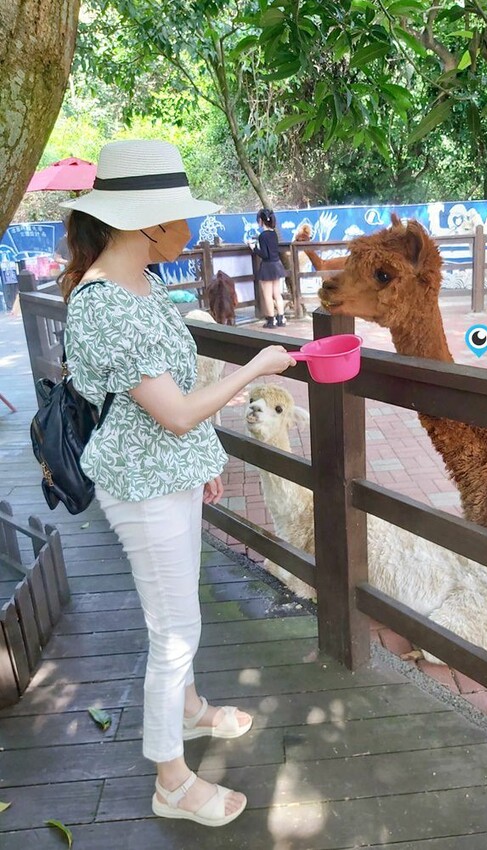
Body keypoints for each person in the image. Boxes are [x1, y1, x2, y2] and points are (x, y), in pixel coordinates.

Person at [60, 140, 296, 828]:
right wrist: (255, 368)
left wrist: (203, 464)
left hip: (169, 475)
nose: (192, 227)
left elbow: (178, 386)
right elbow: (175, 411)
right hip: (140, 485)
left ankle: (189, 711)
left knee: (177, 616)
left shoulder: (147, 282)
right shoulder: (104, 303)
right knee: (172, 634)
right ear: (146, 223)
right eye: (180, 214)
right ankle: (170, 778)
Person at [251, 208, 287, 328]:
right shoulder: (273, 234)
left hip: (267, 267)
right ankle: (281, 318)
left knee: (267, 294)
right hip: (276, 264)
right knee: (277, 293)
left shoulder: (263, 236)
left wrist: (254, 248)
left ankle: (271, 320)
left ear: (261, 220)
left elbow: (265, 255)